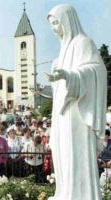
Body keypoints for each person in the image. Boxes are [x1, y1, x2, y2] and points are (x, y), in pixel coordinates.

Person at [46, 4, 107, 200]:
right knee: (63, 155)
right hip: (62, 113)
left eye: (57, 23)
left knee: (75, 155)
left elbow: (97, 71)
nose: (55, 28)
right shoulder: (63, 50)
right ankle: (64, 193)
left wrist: (70, 75)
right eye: (52, 24)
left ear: (67, 20)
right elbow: (60, 83)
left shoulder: (83, 43)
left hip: (77, 113)